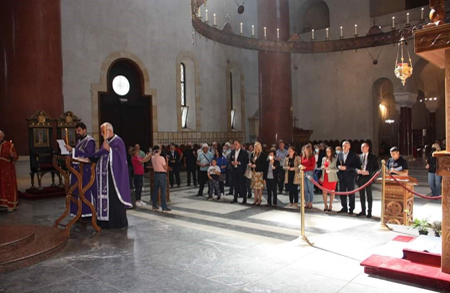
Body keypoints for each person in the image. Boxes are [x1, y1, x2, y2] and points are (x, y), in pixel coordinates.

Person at [88, 123, 132, 229]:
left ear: (110, 131)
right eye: (102, 132)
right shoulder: (108, 141)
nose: (102, 134)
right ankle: (103, 221)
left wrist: (109, 150)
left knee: (113, 199)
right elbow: (101, 153)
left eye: (104, 131)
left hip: (113, 177)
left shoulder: (118, 141)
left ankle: (116, 223)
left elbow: (120, 157)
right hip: (105, 177)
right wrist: (90, 158)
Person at [65, 122, 97, 217]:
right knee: (76, 190)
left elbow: (89, 154)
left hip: (85, 170)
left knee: (84, 190)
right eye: (76, 131)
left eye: (79, 130)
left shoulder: (89, 141)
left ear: (84, 130)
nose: (77, 133)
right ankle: (77, 211)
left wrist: (73, 150)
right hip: (77, 170)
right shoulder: (79, 141)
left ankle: (87, 212)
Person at [336, 141, 361, 215]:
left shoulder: (353, 155)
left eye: (346, 146)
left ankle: (351, 208)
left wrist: (346, 168)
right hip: (342, 176)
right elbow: (337, 164)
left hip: (350, 176)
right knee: (342, 192)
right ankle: (344, 207)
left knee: (351, 193)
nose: (344, 147)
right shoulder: (339, 154)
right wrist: (339, 167)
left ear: (349, 147)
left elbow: (356, 166)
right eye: (343, 146)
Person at [356, 143, 379, 218]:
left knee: (369, 195)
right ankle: (363, 210)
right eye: (361, 147)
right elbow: (356, 166)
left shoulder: (372, 157)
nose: (362, 149)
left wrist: (369, 172)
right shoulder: (359, 156)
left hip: (368, 177)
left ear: (368, 148)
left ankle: (369, 211)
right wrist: (358, 171)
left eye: (363, 147)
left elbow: (376, 167)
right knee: (361, 195)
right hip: (361, 177)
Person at [0, 131, 19, 212]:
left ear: (3, 136)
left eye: (0, 136)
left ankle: (9, 204)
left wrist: (12, 155)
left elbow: (15, 157)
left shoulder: (9, 145)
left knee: (7, 186)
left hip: (7, 170)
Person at [150, 145, 171, 212]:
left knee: (155, 190)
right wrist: (167, 161)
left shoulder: (152, 157)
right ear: (158, 150)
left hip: (156, 174)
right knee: (163, 191)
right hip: (162, 174)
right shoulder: (161, 158)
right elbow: (166, 168)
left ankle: (154, 206)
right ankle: (164, 207)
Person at [229, 140, 249, 204]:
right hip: (234, 170)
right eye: (234, 144)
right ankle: (235, 198)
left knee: (243, 185)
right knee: (235, 184)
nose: (235, 146)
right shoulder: (232, 152)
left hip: (241, 171)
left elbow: (246, 161)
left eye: (236, 144)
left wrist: (239, 163)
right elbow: (230, 160)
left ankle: (244, 199)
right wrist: (232, 162)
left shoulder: (244, 152)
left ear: (240, 145)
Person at [320, 147, 338, 212]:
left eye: (329, 151)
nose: (328, 153)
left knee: (332, 192)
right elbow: (321, 166)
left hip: (332, 177)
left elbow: (337, 169)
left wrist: (330, 170)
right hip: (325, 176)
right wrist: (323, 167)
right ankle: (325, 205)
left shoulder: (335, 159)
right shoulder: (324, 159)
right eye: (327, 151)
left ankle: (330, 205)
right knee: (324, 191)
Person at [300, 144, 316, 209]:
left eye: (306, 150)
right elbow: (301, 163)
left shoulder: (312, 157)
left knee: (310, 188)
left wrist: (305, 167)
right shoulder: (302, 156)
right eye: (304, 149)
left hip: (309, 173)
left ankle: (310, 202)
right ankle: (306, 202)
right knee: (305, 189)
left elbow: (313, 166)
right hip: (303, 173)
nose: (305, 151)